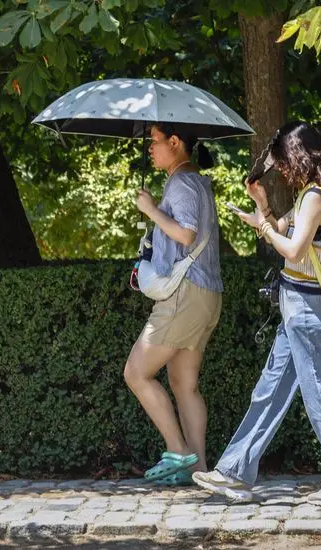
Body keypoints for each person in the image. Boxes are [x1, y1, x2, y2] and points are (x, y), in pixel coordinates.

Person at [192, 121, 321, 505]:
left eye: (285, 161)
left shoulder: (316, 200)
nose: (283, 170)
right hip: (296, 310)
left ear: (299, 156)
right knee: (269, 391)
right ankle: (234, 472)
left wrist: (265, 230)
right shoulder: (313, 195)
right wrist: (262, 207)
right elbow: (278, 228)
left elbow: (294, 250)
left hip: (307, 311)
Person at [124, 122, 223, 486]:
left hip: (186, 295)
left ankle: (179, 451)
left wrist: (150, 209)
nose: (150, 148)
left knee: (136, 372)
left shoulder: (181, 183)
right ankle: (200, 472)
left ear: (175, 142)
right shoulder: (198, 182)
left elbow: (185, 234)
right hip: (207, 295)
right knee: (184, 383)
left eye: (154, 141)